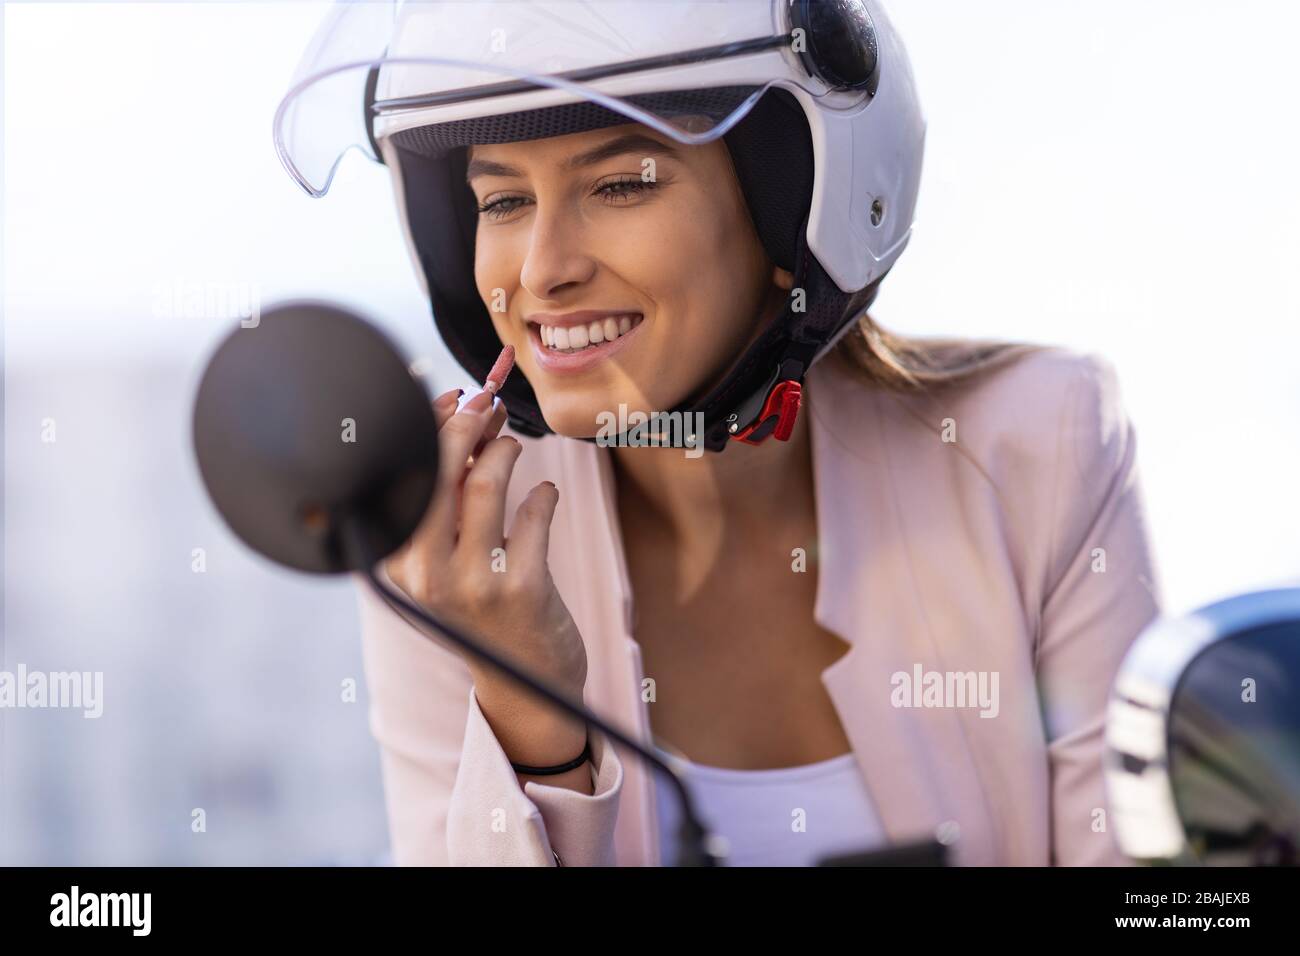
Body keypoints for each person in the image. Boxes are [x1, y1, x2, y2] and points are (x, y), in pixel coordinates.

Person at [277, 0, 1163, 865]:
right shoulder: (453, 543)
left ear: (796, 208)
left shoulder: (1043, 445)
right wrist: (525, 709)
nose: (543, 272)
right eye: (502, 202)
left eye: (621, 183)